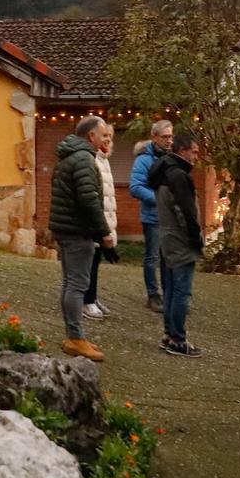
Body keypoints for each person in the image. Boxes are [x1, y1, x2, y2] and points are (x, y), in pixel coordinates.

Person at [49, 115, 112, 362]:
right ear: (91, 136)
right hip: (77, 231)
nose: (106, 138)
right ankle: (75, 338)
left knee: (69, 283)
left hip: (65, 229)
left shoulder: (67, 157)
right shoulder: (84, 160)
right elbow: (88, 199)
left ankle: (74, 335)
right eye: (103, 133)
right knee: (77, 285)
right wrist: (104, 231)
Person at [150, 131, 204, 356]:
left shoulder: (164, 172)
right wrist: (196, 239)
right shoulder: (178, 176)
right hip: (180, 240)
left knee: (171, 289)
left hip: (166, 238)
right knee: (181, 291)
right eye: (194, 152)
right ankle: (178, 339)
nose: (196, 157)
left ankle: (169, 334)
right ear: (182, 151)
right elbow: (185, 213)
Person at [128, 120, 174, 313]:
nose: (169, 141)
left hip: (170, 218)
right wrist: (159, 199)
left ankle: (169, 296)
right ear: (154, 137)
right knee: (152, 258)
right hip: (153, 217)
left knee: (168, 259)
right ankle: (153, 296)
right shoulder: (144, 160)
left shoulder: (172, 158)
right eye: (165, 137)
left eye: (171, 137)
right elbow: (136, 188)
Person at [81, 121, 120, 322]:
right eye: (105, 136)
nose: (108, 140)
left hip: (105, 219)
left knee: (96, 261)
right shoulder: (92, 159)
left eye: (110, 137)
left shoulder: (104, 160)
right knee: (90, 263)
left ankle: (93, 297)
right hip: (96, 222)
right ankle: (86, 300)